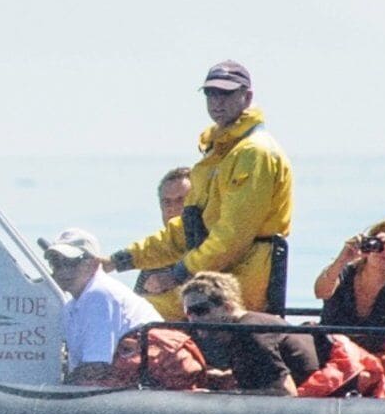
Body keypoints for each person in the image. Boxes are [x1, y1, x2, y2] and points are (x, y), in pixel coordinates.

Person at [110, 62, 295, 316]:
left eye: (226, 93)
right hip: (212, 280)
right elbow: (187, 230)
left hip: (238, 286)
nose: (217, 102)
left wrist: (176, 275)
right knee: (129, 306)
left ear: (247, 96)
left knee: (132, 312)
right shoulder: (219, 153)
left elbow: (231, 238)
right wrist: (116, 261)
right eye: (211, 94)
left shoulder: (254, 153)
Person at [44, 227, 158, 385]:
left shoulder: (99, 294)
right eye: (56, 263)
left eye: (70, 263)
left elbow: (97, 367)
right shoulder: (72, 306)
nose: (62, 270)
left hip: (148, 387)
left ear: (94, 264)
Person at [180, 272, 319, 394]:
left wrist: (220, 395)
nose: (193, 319)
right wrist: (226, 376)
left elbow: (286, 392)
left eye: (200, 310)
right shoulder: (250, 325)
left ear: (227, 307)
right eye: (189, 313)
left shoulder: (249, 333)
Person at [311, 218, 385, 343]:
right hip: (328, 346)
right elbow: (320, 292)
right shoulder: (344, 272)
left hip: (371, 352)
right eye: (379, 244)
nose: (384, 251)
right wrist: (341, 260)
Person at [134, 168, 195, 311]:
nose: (173, 208)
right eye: (167, 202)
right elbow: (135, 310)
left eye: (181, 200)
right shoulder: (154, 258)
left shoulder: (213, 248)